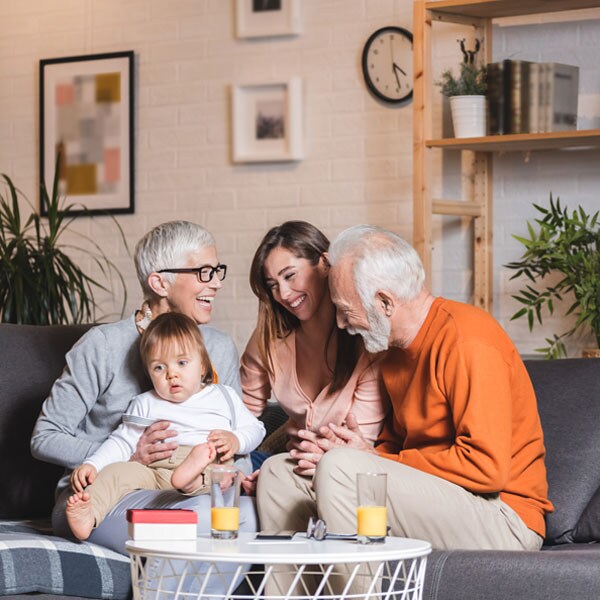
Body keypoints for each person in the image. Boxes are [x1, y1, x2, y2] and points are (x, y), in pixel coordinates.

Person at [257, 224, 553, 553]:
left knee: (341, 467)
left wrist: (367, 459)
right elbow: (394, 450)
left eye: (345, 309)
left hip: (503, 516)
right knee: (279, 473)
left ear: (384, 302)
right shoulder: (392, 353)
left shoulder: (467, 340)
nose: (341, 323)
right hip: (439, 498)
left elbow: (487, 470)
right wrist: (357, 449)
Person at [31, 220, 258, 555]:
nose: (218, 283)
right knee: (198, 526)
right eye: (204, 272)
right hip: (109, 491)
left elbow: (238, 438)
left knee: (246, 516)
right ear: (159, 282)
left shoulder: (217, 347)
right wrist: (129, 454)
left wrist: (235, 475)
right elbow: (44, 436)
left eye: (217, 271)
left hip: (191, 489)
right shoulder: (104, 345)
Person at [66, 311, 265, 541]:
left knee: (222, 479)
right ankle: (88, 514)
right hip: (156, 471)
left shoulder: (223, 396)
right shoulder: (147, 402)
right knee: (116, 473)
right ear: (149, 373)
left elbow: (256, 429)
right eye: (159, 368)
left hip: (208, 461)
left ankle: (189, 480)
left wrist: (235, 440)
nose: (172, 374)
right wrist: (94, 464)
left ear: (203, 366)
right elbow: (122, 441)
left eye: (182, 362)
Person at [240, 221, 389, 483]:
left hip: (345, 465)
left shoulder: (365, 340)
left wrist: (285, 471)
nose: (283, 294)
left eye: (289, 275)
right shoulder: (268, 338)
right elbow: (245, 412)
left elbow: (361, 440)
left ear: (323, 263)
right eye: (272, 285)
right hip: (287, 457)